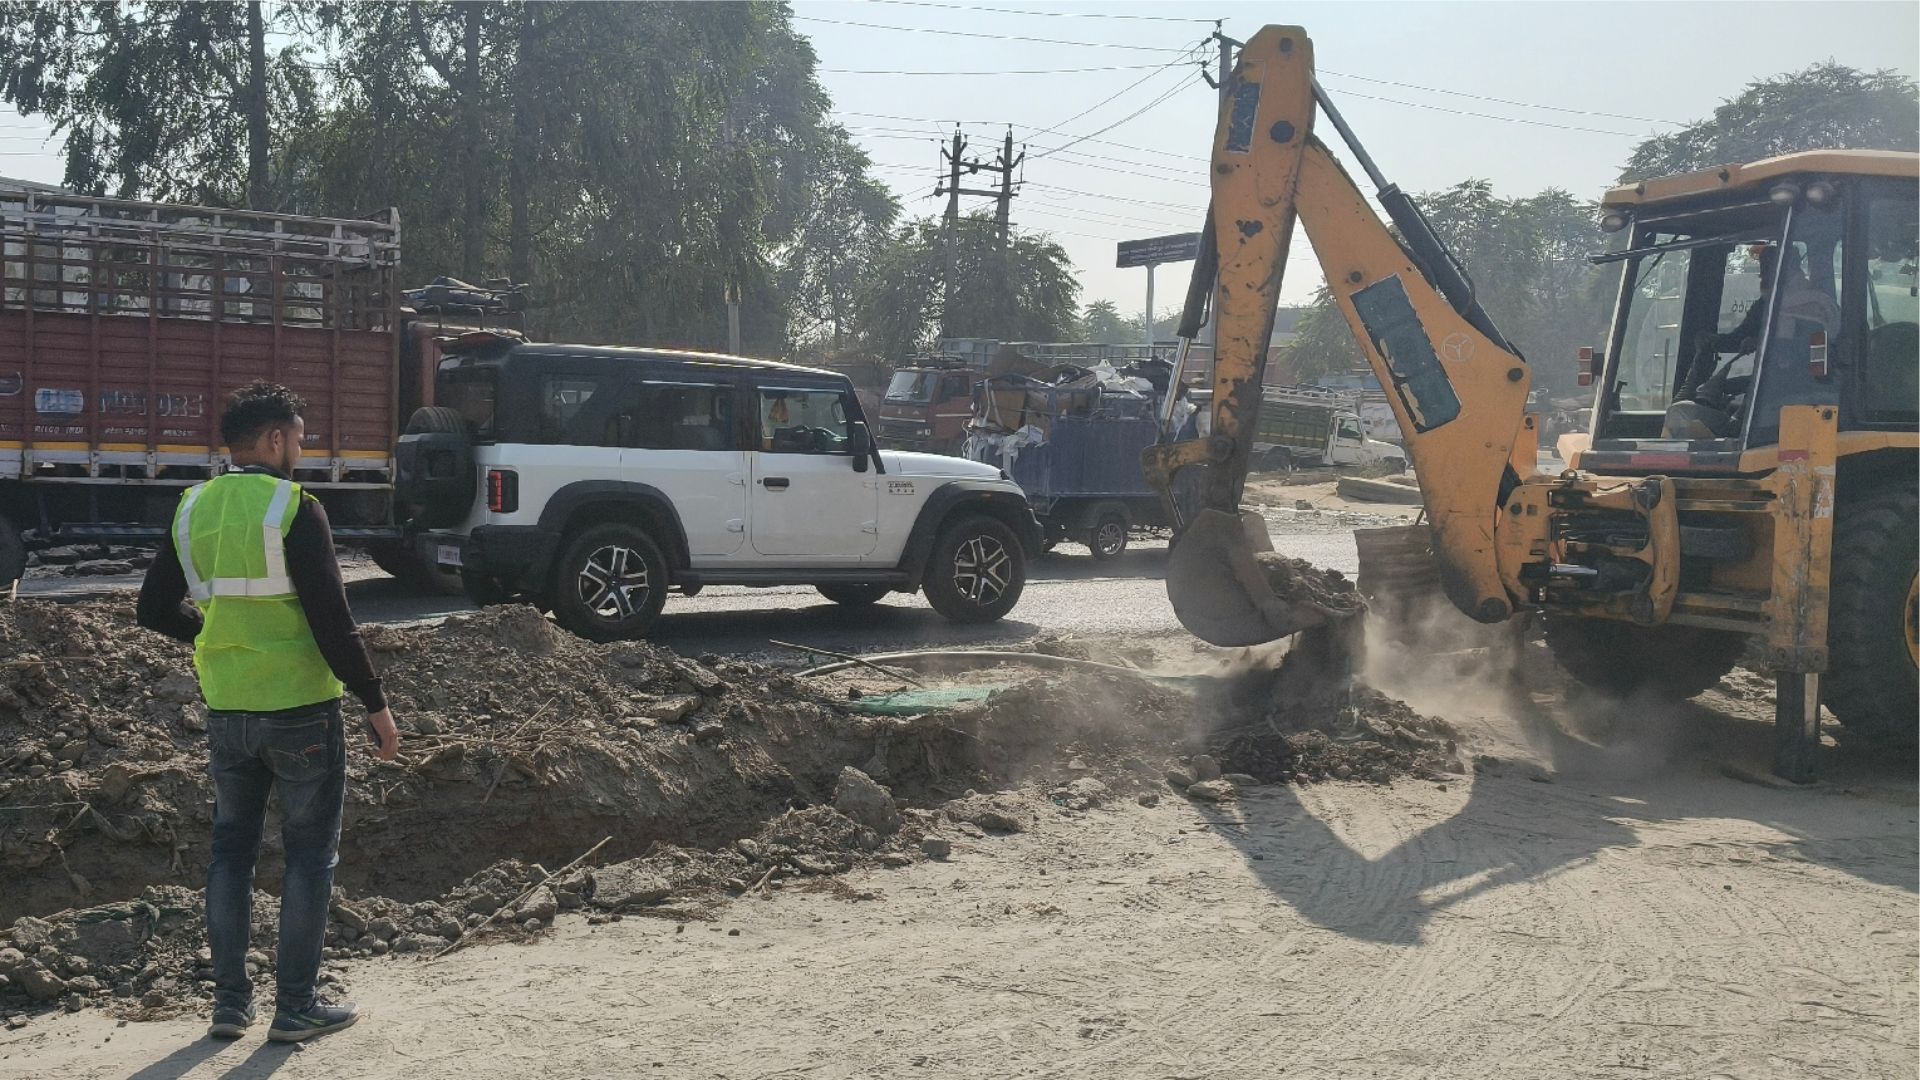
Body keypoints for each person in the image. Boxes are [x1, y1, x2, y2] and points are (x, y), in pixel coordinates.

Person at [136, 381, 400, 1043]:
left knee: (231, 854)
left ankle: (230, 1006)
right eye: (300, 440)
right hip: (301, 709)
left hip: (228, 708)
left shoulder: (192, 507)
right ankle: (296, 1007)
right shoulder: (295, 508)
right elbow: (333, 621)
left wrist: (211, 635)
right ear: (276, 439)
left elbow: (151, 609)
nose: (301, 453)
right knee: (308, 857)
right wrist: (375, 701)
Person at [1663, 244, 1840, 439]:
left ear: (1788, 265)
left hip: (1804, 395)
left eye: (1767, 267)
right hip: (1766, 388)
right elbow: (1740, 338)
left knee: (1687, 414)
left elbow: (1808, 352)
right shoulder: (1767, 304)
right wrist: (1712, 342)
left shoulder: (1815, 305)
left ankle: (1733, 432)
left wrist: (1761, 344)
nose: (1761, 275)